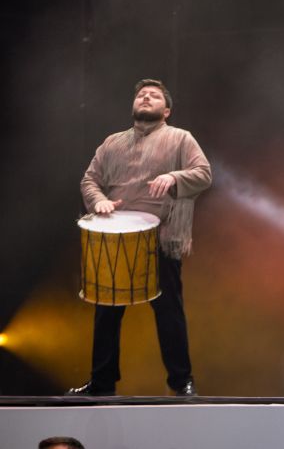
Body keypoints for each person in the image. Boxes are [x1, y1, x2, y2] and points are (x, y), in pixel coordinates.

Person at [67, 79, 212, 397]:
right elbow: (90, 180)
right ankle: (102, 383)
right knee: (106, 313)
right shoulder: (112, 143)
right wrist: (99, 201)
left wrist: (173, 176)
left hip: (161, 237)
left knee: (169, 311)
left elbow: (203, 174)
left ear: (167, 110)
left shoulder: (180, 138)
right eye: (141, 95)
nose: (146, 98)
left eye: (154, 96)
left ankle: (181, 382)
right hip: (115, 237)